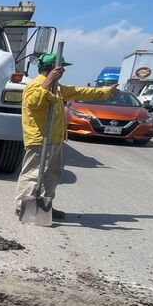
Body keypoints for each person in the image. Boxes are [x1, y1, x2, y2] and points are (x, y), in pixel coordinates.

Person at [15, 53, 116, 221]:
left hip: (55, 139)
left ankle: (44, 206)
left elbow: (80, 91)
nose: (63, 72)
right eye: (61, 69)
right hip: (40, 139)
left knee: (52, 175)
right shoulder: (36, 85)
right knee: (33, 174)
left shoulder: (58, 87)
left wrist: (105, 92)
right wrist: (48, 81)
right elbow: (34, 102)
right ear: (53, 70)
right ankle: (23, 207)